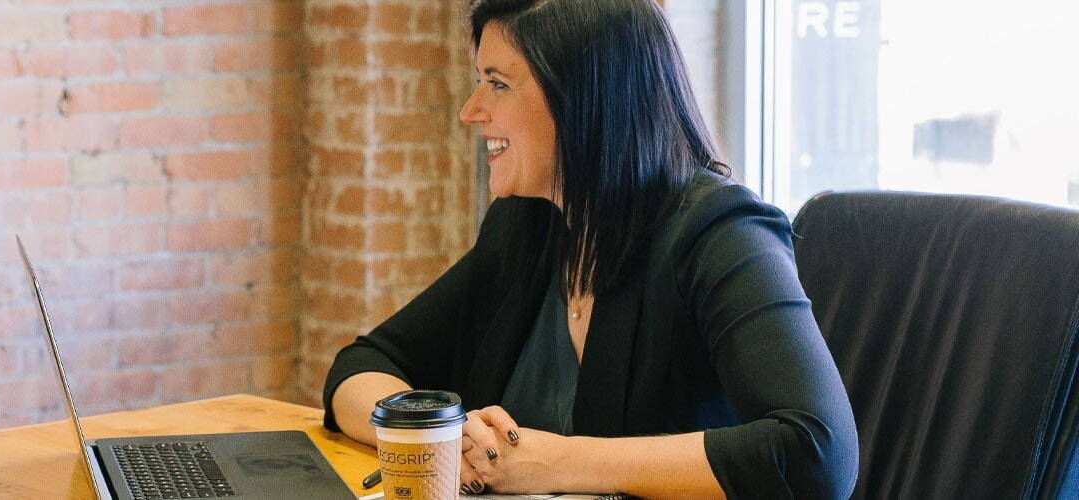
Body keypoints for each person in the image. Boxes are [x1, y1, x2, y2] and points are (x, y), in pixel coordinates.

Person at [321, 0, 858, 498]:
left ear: (583, 98)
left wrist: (556, 462)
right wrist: (447, 438)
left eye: (498, 84)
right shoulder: (528, 223)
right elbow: (363, 366)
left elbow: (817, 453)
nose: (470, 111)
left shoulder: (721, 233)